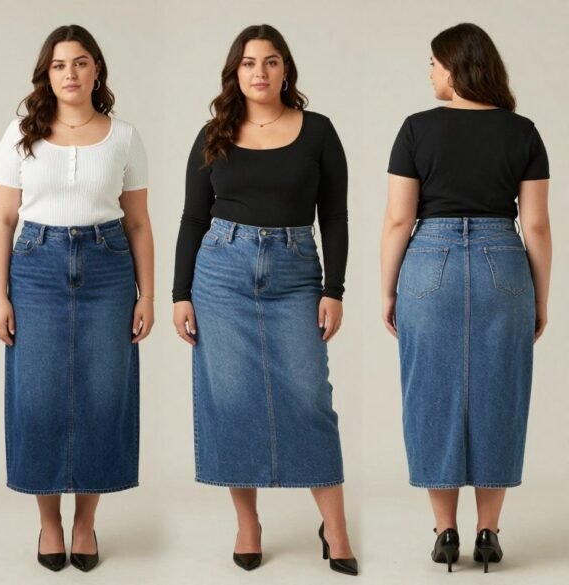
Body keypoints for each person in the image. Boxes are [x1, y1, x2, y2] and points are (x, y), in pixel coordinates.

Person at [172, 23, 357, 576]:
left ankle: (337, 528)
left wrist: (334, 290)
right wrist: (181, 294)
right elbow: (191, 219)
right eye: (249, 63)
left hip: (296, 271)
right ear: (235, 72)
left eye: (271, 62)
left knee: (308, 398)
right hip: (221, 274)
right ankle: (248, 523)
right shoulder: (215, 134)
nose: (260, 72)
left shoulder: (319, 131)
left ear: (286, 70)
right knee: (230, 399)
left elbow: (336, 217)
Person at [381, 22, 551, 574]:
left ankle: (445, 529)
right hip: (504, 262)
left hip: (430, 264)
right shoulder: (524, 132)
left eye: (433, 63)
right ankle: (489, 532)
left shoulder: (415, 130)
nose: (429, 72)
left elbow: (399, 219)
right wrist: (540, 297)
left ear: (454, 68)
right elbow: (538, 227)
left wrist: (389, 289)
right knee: (501, 392)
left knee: (430, 392)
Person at [0, 24, 155, 572]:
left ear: (97, 69)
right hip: (35, 269)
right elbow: (1, 220)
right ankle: (49, 522)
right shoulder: (20, 133)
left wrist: (146, 294)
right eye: (60, 65)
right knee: (37, 398)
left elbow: (138, 223)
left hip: (109, 269)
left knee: (104, 395)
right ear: (47, 74)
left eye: (80, 63)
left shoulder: (124, 137)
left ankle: (85, 523)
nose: (71, 74)